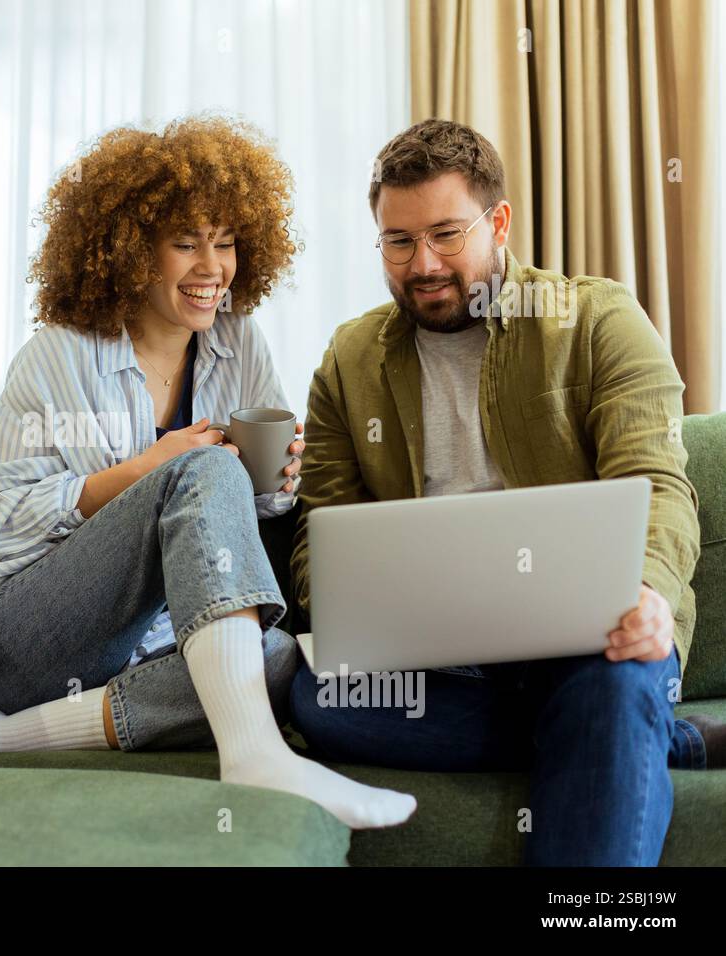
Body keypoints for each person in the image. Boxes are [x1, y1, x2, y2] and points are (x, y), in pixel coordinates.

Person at [0, 115, 417, 830]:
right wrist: (144, 472)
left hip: (147, 647)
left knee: (275, 662)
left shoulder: (237, 343)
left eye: (227, 242)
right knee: (200, 470)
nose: (213, 269)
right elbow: (1, 518)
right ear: (128, 251)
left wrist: (274, 486)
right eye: (185, 244)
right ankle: (257, 757)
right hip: (19, 634)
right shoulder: (59, 354)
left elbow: (236, 520)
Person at [288, 117, 725, 864]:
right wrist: (341, 604)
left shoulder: (596, 319)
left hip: (591, 638)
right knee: (317, 698)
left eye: (446, 235)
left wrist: (650, 591)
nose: (422, 263)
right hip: (436, 656)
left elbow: (658, 485)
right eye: (398, 242)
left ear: (499, 222)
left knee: (612, 686)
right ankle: (640, 736)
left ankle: (620, 725)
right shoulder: (349, 357)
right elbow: (320, 524)